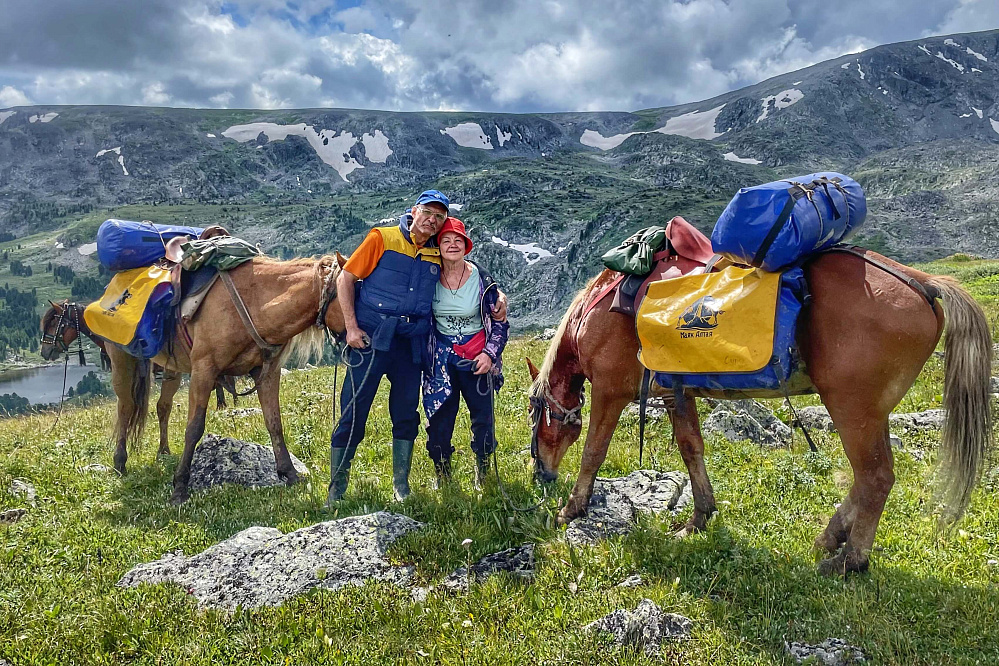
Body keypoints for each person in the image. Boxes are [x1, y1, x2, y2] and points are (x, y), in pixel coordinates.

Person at [328, 191, 506, 504]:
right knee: (354, 409)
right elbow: (346, 278)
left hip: (411, 343)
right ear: (414, 211)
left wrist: (498, 294)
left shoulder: (437, 251)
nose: (432, 221)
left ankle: (401, 487)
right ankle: (337, 490)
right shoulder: (381, 238)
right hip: (370, 337)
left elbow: (463, 263)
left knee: (406, 411)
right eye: (428, 213)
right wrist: (351, 327)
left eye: (439, 217)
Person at [422, 217, 509, 488]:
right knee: (439, 420)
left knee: (483, 420)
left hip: (477, 358)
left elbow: (500, 324)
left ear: (466, 245)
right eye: (446, 240)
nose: (452, 245)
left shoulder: (483, 282)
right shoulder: (427, 278)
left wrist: (489, 355)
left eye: (458, 240)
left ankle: (483, 473)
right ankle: (443, 475)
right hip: (440, 362)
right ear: (438, 246)